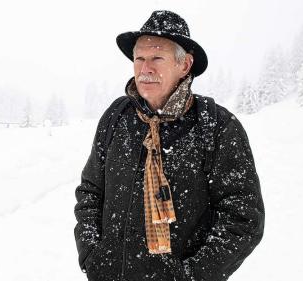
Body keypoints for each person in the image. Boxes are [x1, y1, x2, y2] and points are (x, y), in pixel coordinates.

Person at [74, 10, 265, 281]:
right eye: (139, 58)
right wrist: (92, 255)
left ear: (185, 65)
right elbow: (91, 191)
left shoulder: (217, 125)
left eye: (156, 58)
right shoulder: (117, 116)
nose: (145, 68)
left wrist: (190, 276)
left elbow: (243, 218)